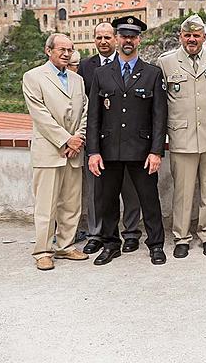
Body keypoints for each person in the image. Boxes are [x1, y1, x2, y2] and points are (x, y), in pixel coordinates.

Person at [86, 16, 168, 266]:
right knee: (107, 201)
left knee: (149, 200)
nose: (128, 40)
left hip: (141, 151)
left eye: (132, 36)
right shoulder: (102, 74)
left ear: (139, 40)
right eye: (123, 36)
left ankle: (155, 244)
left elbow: (159, 116)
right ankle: (111, 245)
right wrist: (93, 152)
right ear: (118, 38)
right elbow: (93, 117)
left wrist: (156, 151)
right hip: (109, 149)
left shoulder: (152, 73)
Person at [158, 14, 206, 258]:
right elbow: (160, 104)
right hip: (181, 136)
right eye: (188, 35)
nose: (192, 39)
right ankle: (182, 237)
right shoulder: (166, 62)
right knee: (183, 192)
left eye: (197, 35)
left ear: (205, 38)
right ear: (181, 37)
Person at [22, 33, 89, 271]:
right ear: (48, 50)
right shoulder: (33, 77)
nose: (66, 54)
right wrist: (65, 140)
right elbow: (40, 116)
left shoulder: (77, 79)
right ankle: (42, 251)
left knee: (71, 204)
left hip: (73, 152)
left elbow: (85, 112)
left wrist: (78, 139)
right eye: (61, 49)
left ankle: (66, 246)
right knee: (46, 206)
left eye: (70, 50)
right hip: (50, 151)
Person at [78, 23, 142, 255]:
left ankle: (131, 232)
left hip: (127, 139)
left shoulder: (127, 63)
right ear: (94, 40)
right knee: (98, 191)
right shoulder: (85, 66)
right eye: (99, 37)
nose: (103, 41)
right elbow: (87, 106)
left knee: (129, 187)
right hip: (99, 139)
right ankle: (98, 234)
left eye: (107, 37)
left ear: (115, 39)